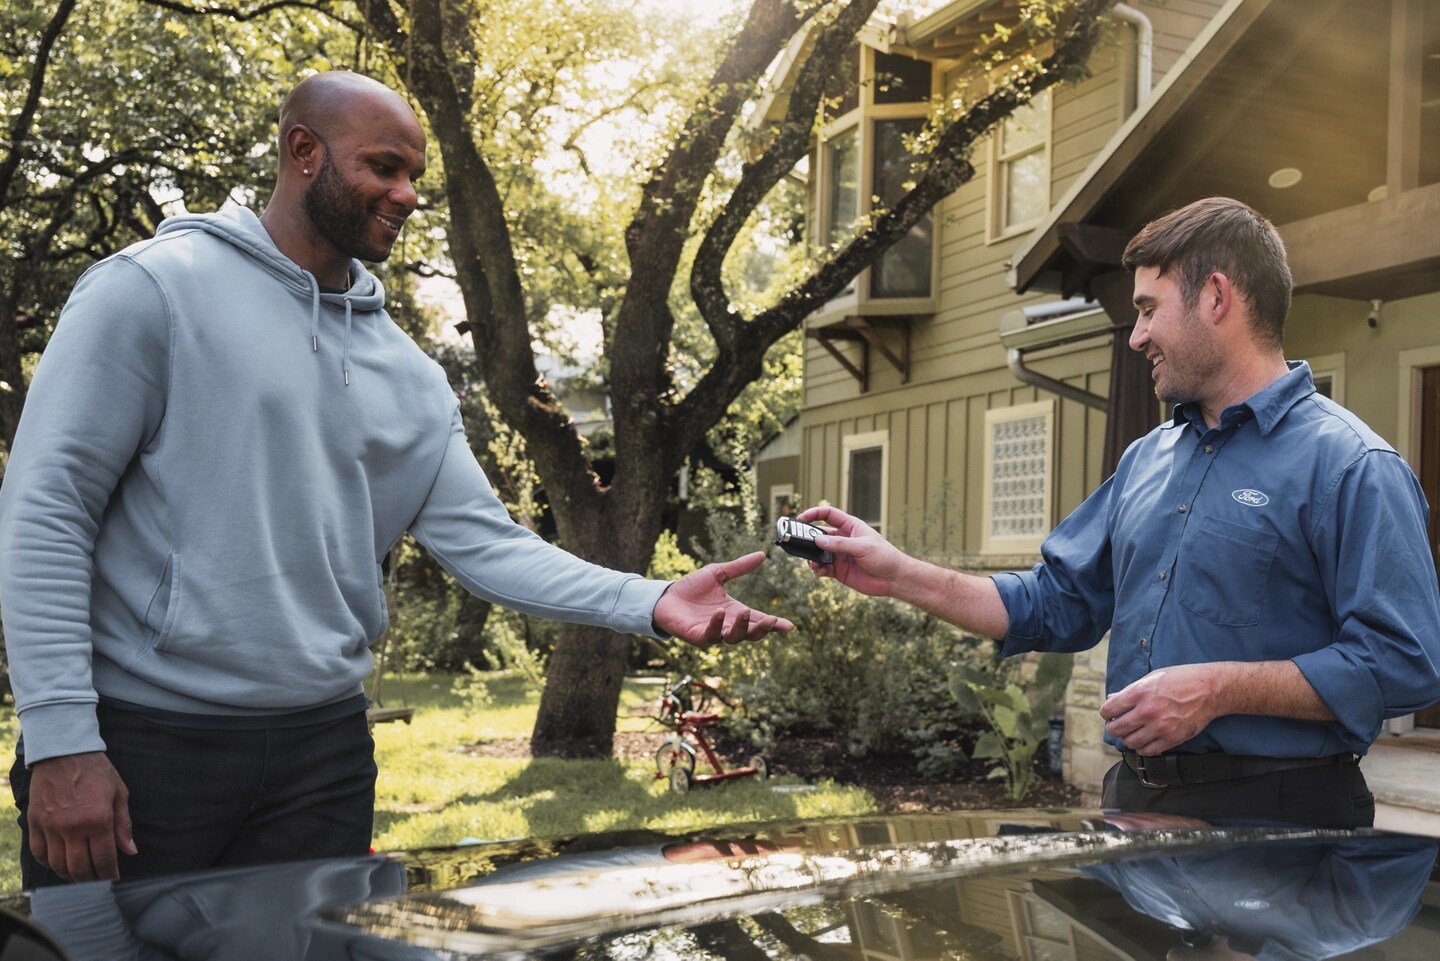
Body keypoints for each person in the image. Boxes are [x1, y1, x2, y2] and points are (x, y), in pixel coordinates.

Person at [0, 70, 793, 889]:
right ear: (303, 152)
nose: (407, 194)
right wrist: (62, 738)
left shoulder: (406, 374)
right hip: (146, 744)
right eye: (383, 167)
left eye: (414, 175)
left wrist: (650, 600)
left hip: (324, 755)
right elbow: (46, 511)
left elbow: (488, 545)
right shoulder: (154, 292)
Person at [795, 197, 1440, 827]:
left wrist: (1217, 690)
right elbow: (1055, 602)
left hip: (1281, 819)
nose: (1135, 337)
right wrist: (896, 573)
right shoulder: (1146, 460)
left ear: (1216, 298)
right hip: (1136, 806)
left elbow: (1407, 661)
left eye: (1147, 310)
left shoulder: (1353, 465)